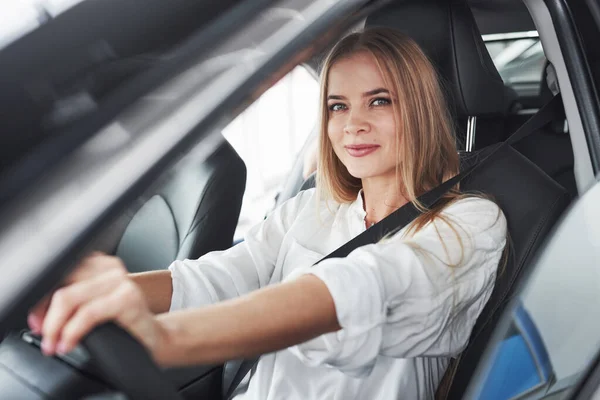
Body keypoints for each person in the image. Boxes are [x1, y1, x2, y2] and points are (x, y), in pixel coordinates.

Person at [27, 28, 507, 399]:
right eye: (337, 106)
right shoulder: (309, 208)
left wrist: (162, 339)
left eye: (379, 101)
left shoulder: (472, 223)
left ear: (419, 110)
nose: (353, 124)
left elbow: (365, 287)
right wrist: (102, 294)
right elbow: (221, 276)